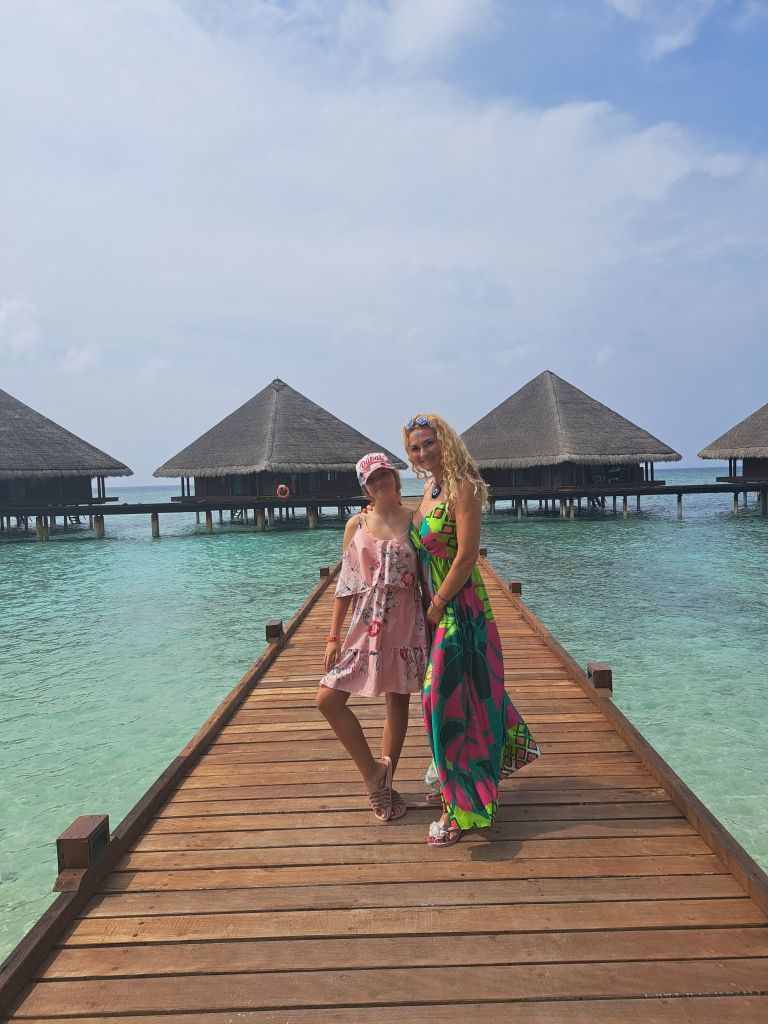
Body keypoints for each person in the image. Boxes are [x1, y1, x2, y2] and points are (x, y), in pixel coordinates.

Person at [404, 414, 541, 847]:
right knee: (464, 695)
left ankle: (460, 808)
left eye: (429, 443)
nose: (422, 452)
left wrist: (437, 604)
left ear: (444, 442)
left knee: (440, 698)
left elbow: (466, 556)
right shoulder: (429, 490)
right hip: (434, 607)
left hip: (461, 608)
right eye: (415, 447)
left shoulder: (463, 487)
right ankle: (467, 773)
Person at [317, 453, 428, 822]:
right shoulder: (357, 523)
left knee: (397, 703)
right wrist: (333, 636)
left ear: (394, 477)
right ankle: (372, 772)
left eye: (384, 475)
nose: (379, 482)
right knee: (328, 699)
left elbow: (435, 568)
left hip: (407, 622)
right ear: (365, 487)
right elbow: (346, 583)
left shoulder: (416, 520)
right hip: (366, 624)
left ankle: (385, 783)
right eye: (371, 479)